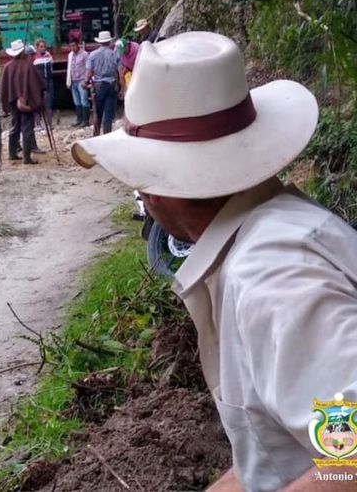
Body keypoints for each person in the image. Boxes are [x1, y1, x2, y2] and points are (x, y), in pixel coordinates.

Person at [71, 31, 357, 491]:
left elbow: (351, 459)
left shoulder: (274, 279)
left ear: (156, 188)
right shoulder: (271, 238)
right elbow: (273, 461)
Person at [0, 39, 44, 165]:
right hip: (26, 103)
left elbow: (4, 88)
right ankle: (26, 157)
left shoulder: (7, 67)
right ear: (23, 51)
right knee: (27, 128)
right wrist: (38, 99)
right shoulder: (29, 65)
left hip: (13, 102)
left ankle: (12, 154)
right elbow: (37, 84)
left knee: (14, 127)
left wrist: (7, 102)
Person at [82, 30, 120, 134]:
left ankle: (97, 133)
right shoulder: (114, 54)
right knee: (108, 113)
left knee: (97, 112)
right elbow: (119, 70)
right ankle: (107, 134)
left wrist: (85, 82)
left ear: (99, 42)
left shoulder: (93, 55)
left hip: (99, 86)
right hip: (111, 84)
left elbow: (89, 72)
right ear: (109, 41)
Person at [31, 39, 54, 149]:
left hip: (48, 81)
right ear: (37, 47)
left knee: (49, 102)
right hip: (38, 82)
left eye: (44, 46)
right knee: (38, 103)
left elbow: (51, 68)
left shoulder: (49, 55)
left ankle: (49, 123)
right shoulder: (34, 58)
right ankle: (38, 124)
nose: (43, 48)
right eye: (41, 46)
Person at [65, 38, 90, 128]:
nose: (72, 47)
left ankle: (85, 120)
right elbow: (69, 69)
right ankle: (79, 119)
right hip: (73, 80)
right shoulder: (70, 55)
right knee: (77, 101)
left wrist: (86, 80)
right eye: (70, 46)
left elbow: (88, 68)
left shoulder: (84, 54)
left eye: (74, 45)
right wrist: (68, 81)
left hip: (81, 80)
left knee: (84, 100)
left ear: (78, 45)